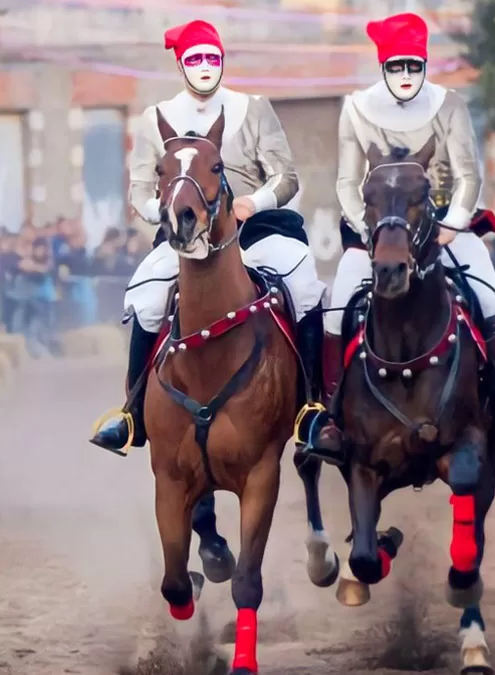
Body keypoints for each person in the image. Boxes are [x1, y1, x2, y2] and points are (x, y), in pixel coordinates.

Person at [306, 12, 495, 464]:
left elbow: (468, 175)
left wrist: (453, 223)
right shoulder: (356, 108)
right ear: (383, 67)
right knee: (335, 312)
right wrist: (369, 230)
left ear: (424, 65)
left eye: (413, 66)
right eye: (397, 66)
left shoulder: (450, 105)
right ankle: (331, 414)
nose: (406, 75)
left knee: (492, 301)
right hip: (377, 232)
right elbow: (346, 182)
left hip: (444, 228)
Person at [89, 20, 326, 454]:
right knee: (147, 299)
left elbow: (285, 176)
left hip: (256, 229)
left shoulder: (253, 108)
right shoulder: (155, 117)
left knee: (305, 286)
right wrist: (165, 214)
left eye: (212, 58)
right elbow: (139, 191)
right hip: (185, 236)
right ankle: (133, 413)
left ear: (222, 61)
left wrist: (252, 202)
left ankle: (312, 407)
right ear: (181, 64)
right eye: (195, 58)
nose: (204, 66)